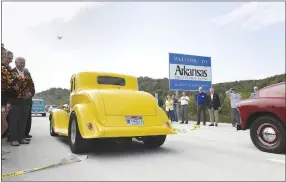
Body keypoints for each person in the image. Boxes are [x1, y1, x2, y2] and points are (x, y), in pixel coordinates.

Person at [8, 57, 35, 146]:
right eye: (21, 62)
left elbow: (32, 86)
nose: (23, 64)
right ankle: (13, 139)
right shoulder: (11, 72)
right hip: (15, 100)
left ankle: (21, 138)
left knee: (23, 120)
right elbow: (9, 87)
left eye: (24, 62)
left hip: (26, 101)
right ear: (16, 63)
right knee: (14, 121)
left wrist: (30, 94)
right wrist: (18, 94)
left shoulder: (27, 73)